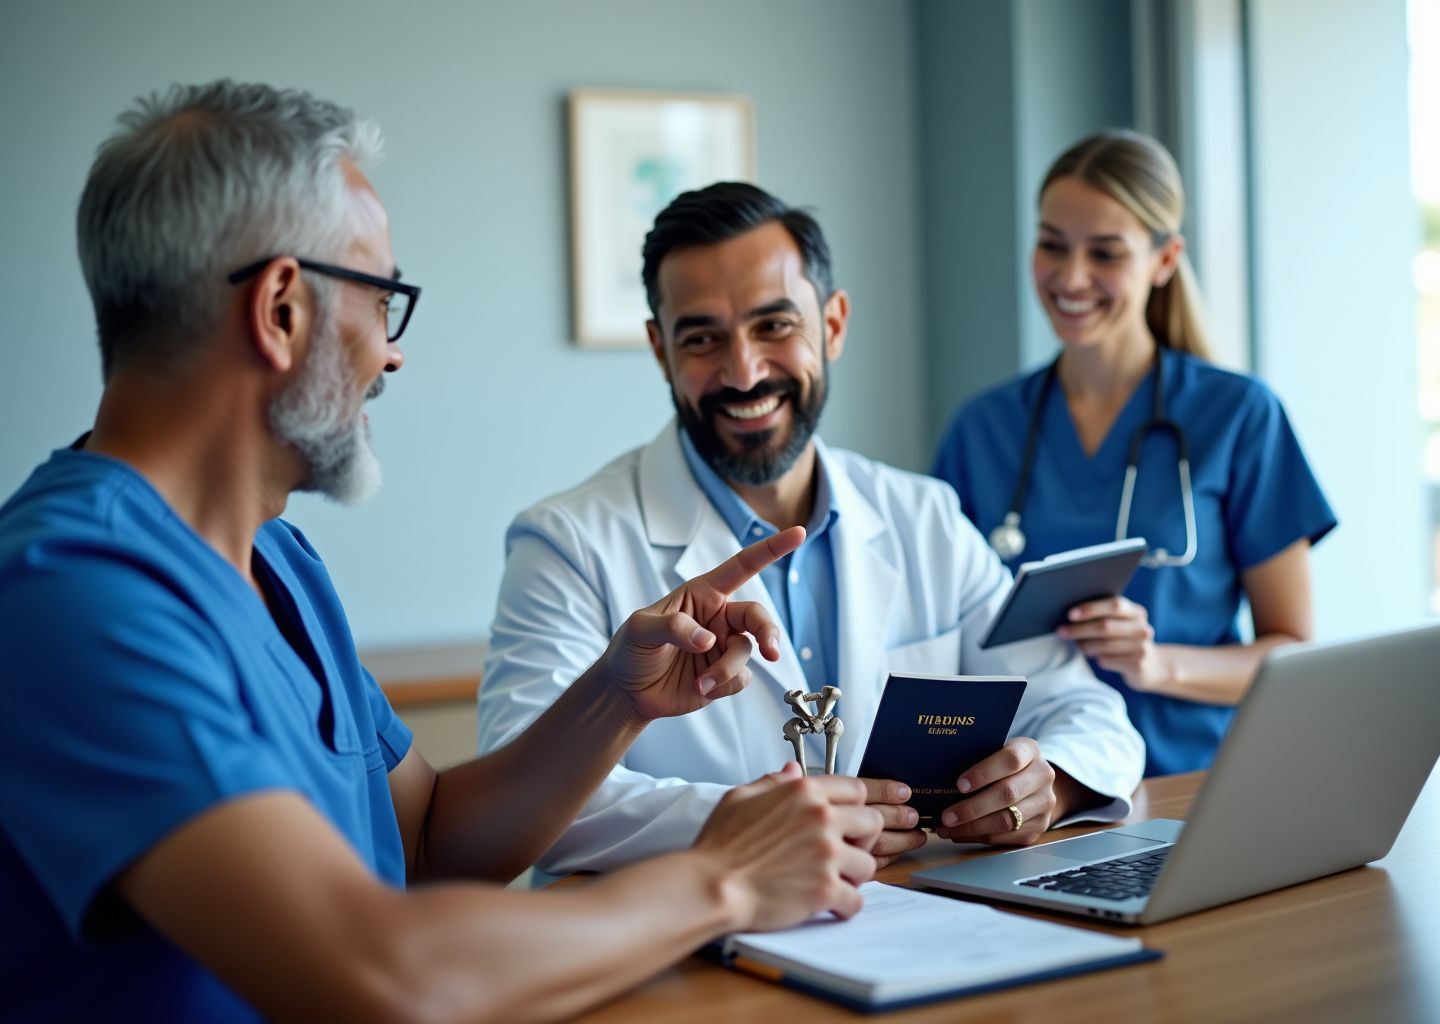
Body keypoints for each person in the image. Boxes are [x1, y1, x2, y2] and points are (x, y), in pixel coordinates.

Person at [0, 82, 888, 1023]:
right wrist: (727, 881)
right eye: (382, 299)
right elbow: (379, 974)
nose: (392, 356)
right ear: (282, 310)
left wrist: (615, 700)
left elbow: (425, 838)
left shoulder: (280, 563)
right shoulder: (70, 594)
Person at [477, 182, 1145, 877]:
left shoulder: (926, 518)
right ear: (659, 349)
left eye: (774, 326)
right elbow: (521, 803)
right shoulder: (565, 546)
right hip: (687, 957)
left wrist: (1053, 782)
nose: (744, 371)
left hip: (917, 924)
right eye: (702, 337)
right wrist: (753, 828)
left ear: (832, 324)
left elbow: (1085, 709)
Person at [931, 130, 1336, 777]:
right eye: (1052, 245)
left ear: (1166, 259)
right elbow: (941, 635)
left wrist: (1156, 663)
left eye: (1106, 253)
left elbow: (1291, 655)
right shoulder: (982, 430)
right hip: (1031, 790)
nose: (1071, 277)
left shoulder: (1237, 416)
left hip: (1192, 787)